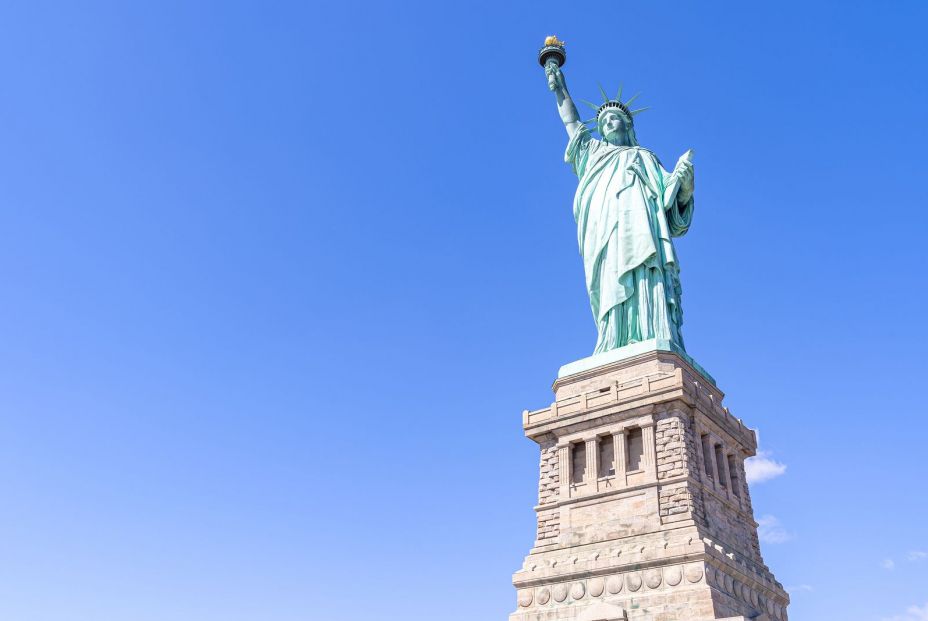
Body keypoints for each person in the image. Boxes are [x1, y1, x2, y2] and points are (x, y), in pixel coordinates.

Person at [545, 60, 696, 354]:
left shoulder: (645, 157)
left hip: (642, 232)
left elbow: (673, 208)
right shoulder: (593, 153)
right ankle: (612, 337)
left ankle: (653, 331)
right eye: (603, 122)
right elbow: (571, 122)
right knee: (610, 279)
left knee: (645, 269)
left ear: (627, 125)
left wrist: (685, 186)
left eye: (614, 119)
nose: (608, 124)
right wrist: (559, 87)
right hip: (605, 232)